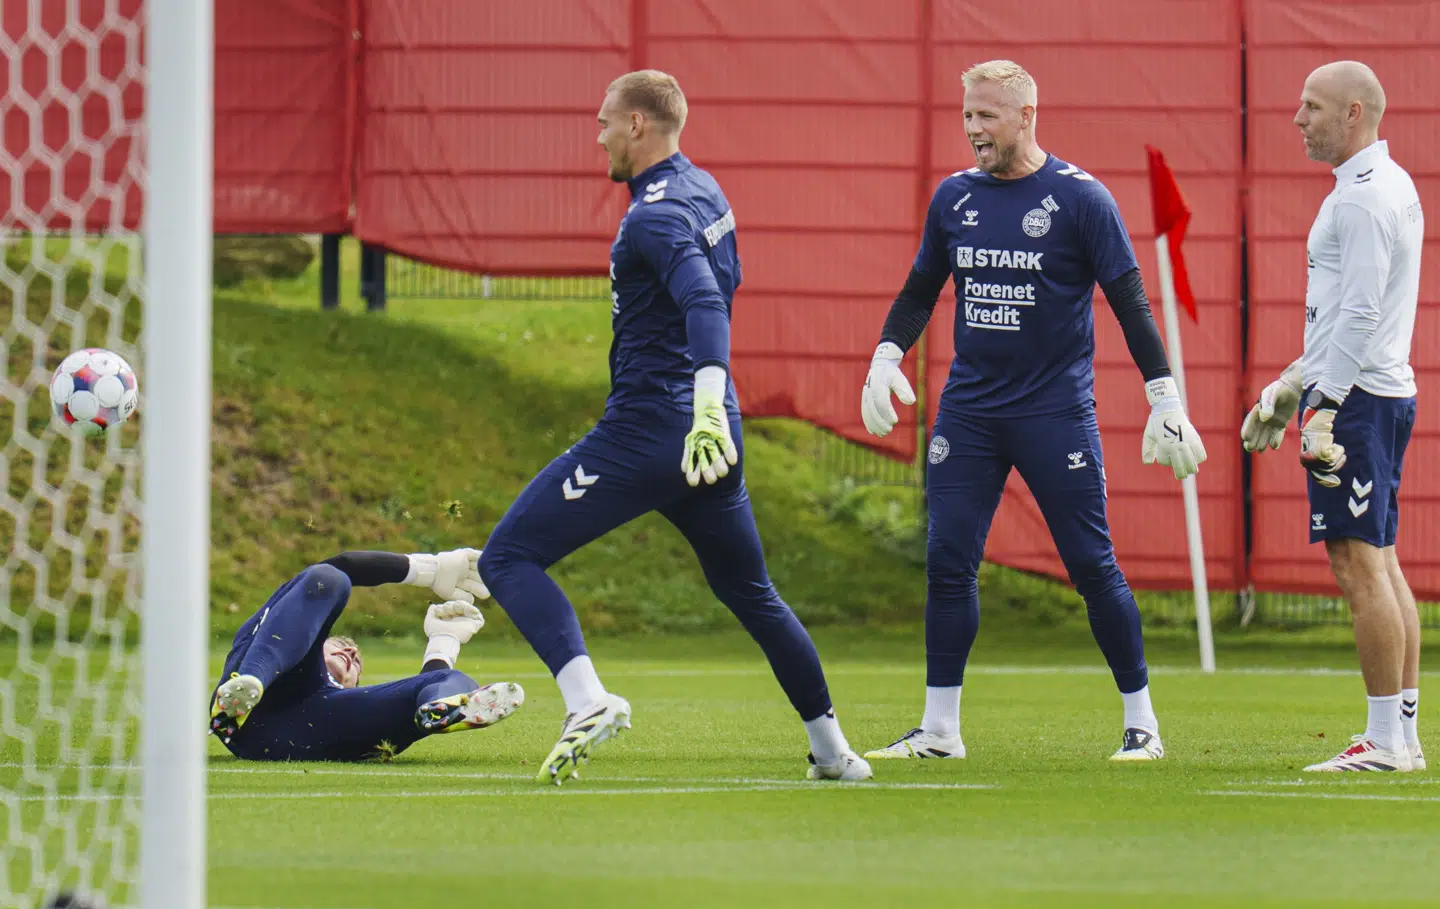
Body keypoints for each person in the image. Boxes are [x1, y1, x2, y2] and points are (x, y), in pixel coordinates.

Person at [477, 69, 872, 785]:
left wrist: (702, 402)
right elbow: (722, 288)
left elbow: (703, 302)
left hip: (656, 430)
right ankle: (833, 749)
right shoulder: (705, 189)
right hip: (711, 437)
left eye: (604, 121)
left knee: (506, 558)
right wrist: (715, 412)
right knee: (753, 592)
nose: (596, 134)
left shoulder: (652, 216)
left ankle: (586, 701)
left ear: (637, 125)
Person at [858, 59, 1207, 763]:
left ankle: (1143, 725)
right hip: (970, 413)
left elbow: (1131, 302)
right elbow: (923, 285)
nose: (973, 130)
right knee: (948, 559)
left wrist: (1164, 396)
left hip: (1054, 412)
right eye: (966, 117)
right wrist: (887, 352)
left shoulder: (1082, 200)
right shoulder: (954, 198)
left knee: (1090, 563)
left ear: (1026, 116)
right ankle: (939, 730)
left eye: (986, 116)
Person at [1242, 61, 1424, 773]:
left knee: (1358, 566)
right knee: (1381, 561)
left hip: (1358, 402)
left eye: (1312, 106)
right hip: (1377, 393)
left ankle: (1383, 741)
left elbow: (1359, 313)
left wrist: (1320, 407)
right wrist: (1290, 385)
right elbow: (1348, 315)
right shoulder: (1388, 184)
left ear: (1354, 113)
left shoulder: (1361, 200)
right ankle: (1401, 735)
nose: (1298, 119)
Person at [208, 548, 524, 762]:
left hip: (309, 729)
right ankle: (245, 688)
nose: (351, 652)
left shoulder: (333, 698)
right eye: (339, 646)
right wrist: (427, 569)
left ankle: (448, 711)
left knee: (453, 680)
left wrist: (443, 643)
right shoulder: (281, 628)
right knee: (329, 579)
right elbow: (333, 571)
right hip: (257, 698)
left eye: (356, 663)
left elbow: (415, 690)